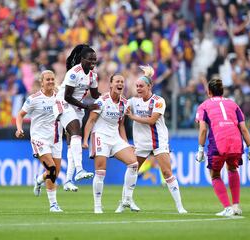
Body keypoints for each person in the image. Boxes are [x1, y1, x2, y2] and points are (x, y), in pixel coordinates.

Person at [125, 65, 187, 214]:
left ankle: (180, 206)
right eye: (137, 86)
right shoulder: (133, 101)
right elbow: (119, 107)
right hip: (141, 143)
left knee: (166, 172)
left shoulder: (159, 101)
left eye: (141, 86)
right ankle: (126, 201)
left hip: (158, 141)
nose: (138, 88)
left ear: (149, 86)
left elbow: (152, 120)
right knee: (133, 168)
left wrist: (133, 117)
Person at [195, 76, 250, 217]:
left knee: (215, 174)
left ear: (209, 92)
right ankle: (235, 206)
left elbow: (203, 129)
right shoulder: (233, 104)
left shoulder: (204, 105)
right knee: (233, 168)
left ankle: (227, 208)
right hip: (236, 143)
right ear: (222, 91)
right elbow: (244, 128)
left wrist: (200, 150)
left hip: (219, 143)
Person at [83, 73, 140, 214]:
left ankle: (127, 199)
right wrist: (85, 140)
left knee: (134, 164)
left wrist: (126, 143)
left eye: (122, 82)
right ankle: (97, 205)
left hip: (115, 138)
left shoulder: (125, 103)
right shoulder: (101, 101)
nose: (120, 84)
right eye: (117, 81)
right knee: (101, 171)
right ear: (111, 84)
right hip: (100, 136)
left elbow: (121, 125)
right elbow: (90, 121)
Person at [15, 70, 63, 212]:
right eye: (47, 79)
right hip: (39, 138)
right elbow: (20, 114)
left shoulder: (59, 98)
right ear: (41, 82)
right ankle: (53, 204)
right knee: (51, 169)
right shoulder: (34, 99)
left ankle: (39, 180)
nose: (50, 82)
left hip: (56, 139)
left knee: (55, 173)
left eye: (52, 79)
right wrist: (19, 128)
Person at [53, 44, 101, 187]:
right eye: (90, 60)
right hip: (63, 103)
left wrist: (108, 96)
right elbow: (67, 96)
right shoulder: (74, 72)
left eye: (95, 60)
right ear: (82, 59)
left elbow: (94, 95)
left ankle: (68, 180)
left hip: (77, 107)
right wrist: (87, 106)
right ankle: (79, 170)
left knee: (72, 143)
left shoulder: (93, 76)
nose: (93, 63)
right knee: (76, 133)